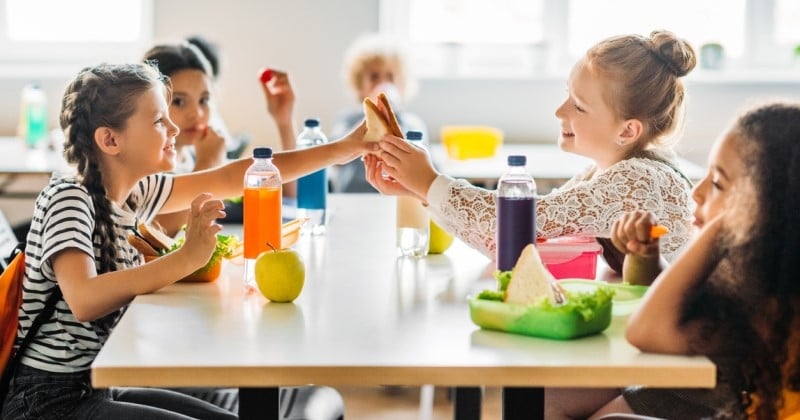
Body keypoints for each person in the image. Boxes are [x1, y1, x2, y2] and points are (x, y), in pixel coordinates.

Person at [1, 62, 372, 419]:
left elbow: (234, 177)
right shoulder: (71, 197)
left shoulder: (132, 192)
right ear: (110, 139)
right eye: (159, 120)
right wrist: (184, 259)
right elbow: (84, 297)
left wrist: (342, 150)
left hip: (92, 388)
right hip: (45, 402)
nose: (174, 129)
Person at [547, 102, 800, 419]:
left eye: (718, 183)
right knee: (550, 396)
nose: (697, 191)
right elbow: (678, 308)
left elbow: (648, 330)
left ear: (769, 212)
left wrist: (725, 224)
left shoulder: (770, 305)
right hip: (675, 389)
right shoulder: (742, 271)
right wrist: (646, 261)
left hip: (707, 404)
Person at [365, 30, 697, 272]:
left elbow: (523, 222)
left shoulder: (637, 182)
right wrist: (421, 189)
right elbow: (513, 242)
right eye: (567, 94)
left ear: (628, 130)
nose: (559, 112)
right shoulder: (601, 173)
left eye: (578, 107)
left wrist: (429, 182)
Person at [143, 41, 298, 234]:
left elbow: (285, 197)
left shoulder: (192, 154)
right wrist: (207, 163)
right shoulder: (145, 166)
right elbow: (156, 235)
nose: (197, 113)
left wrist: (284, 122)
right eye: (179, 101)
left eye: (204, 100)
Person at [331, 32, 427, 193]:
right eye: (374, 77)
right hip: (354, 195)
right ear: (359, 84)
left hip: (396, 198)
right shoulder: (347, 120)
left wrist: (392, 115)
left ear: (402, 83)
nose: (383, 83)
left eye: (390, 77)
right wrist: (372, 116)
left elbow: (424, 166)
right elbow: (336, 156)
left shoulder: (412, 123)